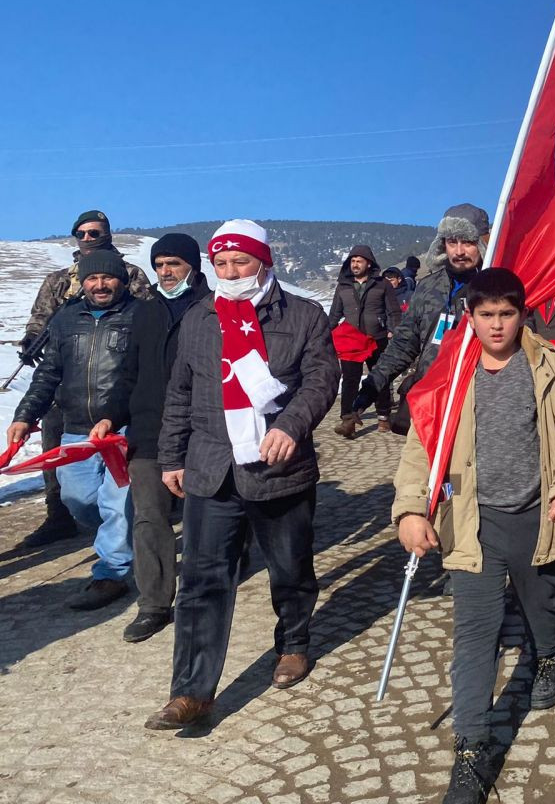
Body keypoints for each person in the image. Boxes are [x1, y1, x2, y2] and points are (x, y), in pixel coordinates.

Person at [393, 268, 555, 803]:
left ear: (523, 314)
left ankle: (547, 655)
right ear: (471, 316)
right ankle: (470, 752)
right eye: (487, 315)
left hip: (538, 514)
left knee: (543, 604)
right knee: (475, 636)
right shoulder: (449, 373)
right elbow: (421, 447)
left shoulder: (551, 366)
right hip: (473, 523)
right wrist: (412, 510)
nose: (497, 325)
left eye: (507, 314)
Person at [145, 220, 339, 731]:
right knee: (202, 582)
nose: (230, 272)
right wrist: (171, 457)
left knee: (290, 567)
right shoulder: (200, 318)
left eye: (241, 262)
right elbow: (180, 392)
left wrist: (293, 425)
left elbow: (322, 381)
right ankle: (191, 692)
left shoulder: (303, 315)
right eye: (222, 263)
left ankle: (293, 643)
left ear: (263, 262)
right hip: (212, 466)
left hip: (279, 465)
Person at [7, 250, 142, 608]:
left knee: (117, 502)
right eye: (92, 278)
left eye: (108, 278)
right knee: (78, 500)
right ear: (82, 282)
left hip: (122, 431)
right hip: (77, 430)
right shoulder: (65, 320)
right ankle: (129, 536)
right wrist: (25, 415)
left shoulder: (141, 316)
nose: (99, 285)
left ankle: (111, 573)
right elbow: (48, 373)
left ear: (122, 280)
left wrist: (125, 415)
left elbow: (148, 376)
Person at [16, 209, 151, 548]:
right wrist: (32, 342)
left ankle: (119, 548)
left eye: (96, 232)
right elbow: (41, 318)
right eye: (83, 233)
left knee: (119, 486)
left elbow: (145, 317)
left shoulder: (131, 274)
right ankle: (59, 515)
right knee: (58, 452)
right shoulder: (59, 279)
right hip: (69, 381)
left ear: (108, 234)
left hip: (118, 389)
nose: (89, 238)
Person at [112, 234, 212, 642]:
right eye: (159, 264)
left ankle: (206, 590)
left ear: (193, 265)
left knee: (203, 515)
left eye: (173, 263)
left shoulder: (216, 310)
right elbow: (128, 374)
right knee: (149, 516)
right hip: (148, 430)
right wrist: (110, 415)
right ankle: (154, 603)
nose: (165, 272)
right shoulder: (145, 313)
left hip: (203, 433)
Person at [352, 204, 489, 434]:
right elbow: (404, 344)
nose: (458, 251)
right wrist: (370, 388)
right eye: (451, 242)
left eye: (467, 242)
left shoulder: (495, 289)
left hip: (477, 402)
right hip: (430, 400)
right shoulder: (428, 287)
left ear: (483, 243)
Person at [329, 245, 402, 436]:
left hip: (377, 338)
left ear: (368, 264)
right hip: (350, 340)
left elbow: (393, 310)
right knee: (350, 381)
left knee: (380, 377)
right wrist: (326, 334)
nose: (355, 264)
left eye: (359, 261)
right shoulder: (343, 285)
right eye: (352, 261)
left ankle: (384, 416)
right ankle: (348, 420)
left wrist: (393, 331)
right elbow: (334, 314)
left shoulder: (382, 284)